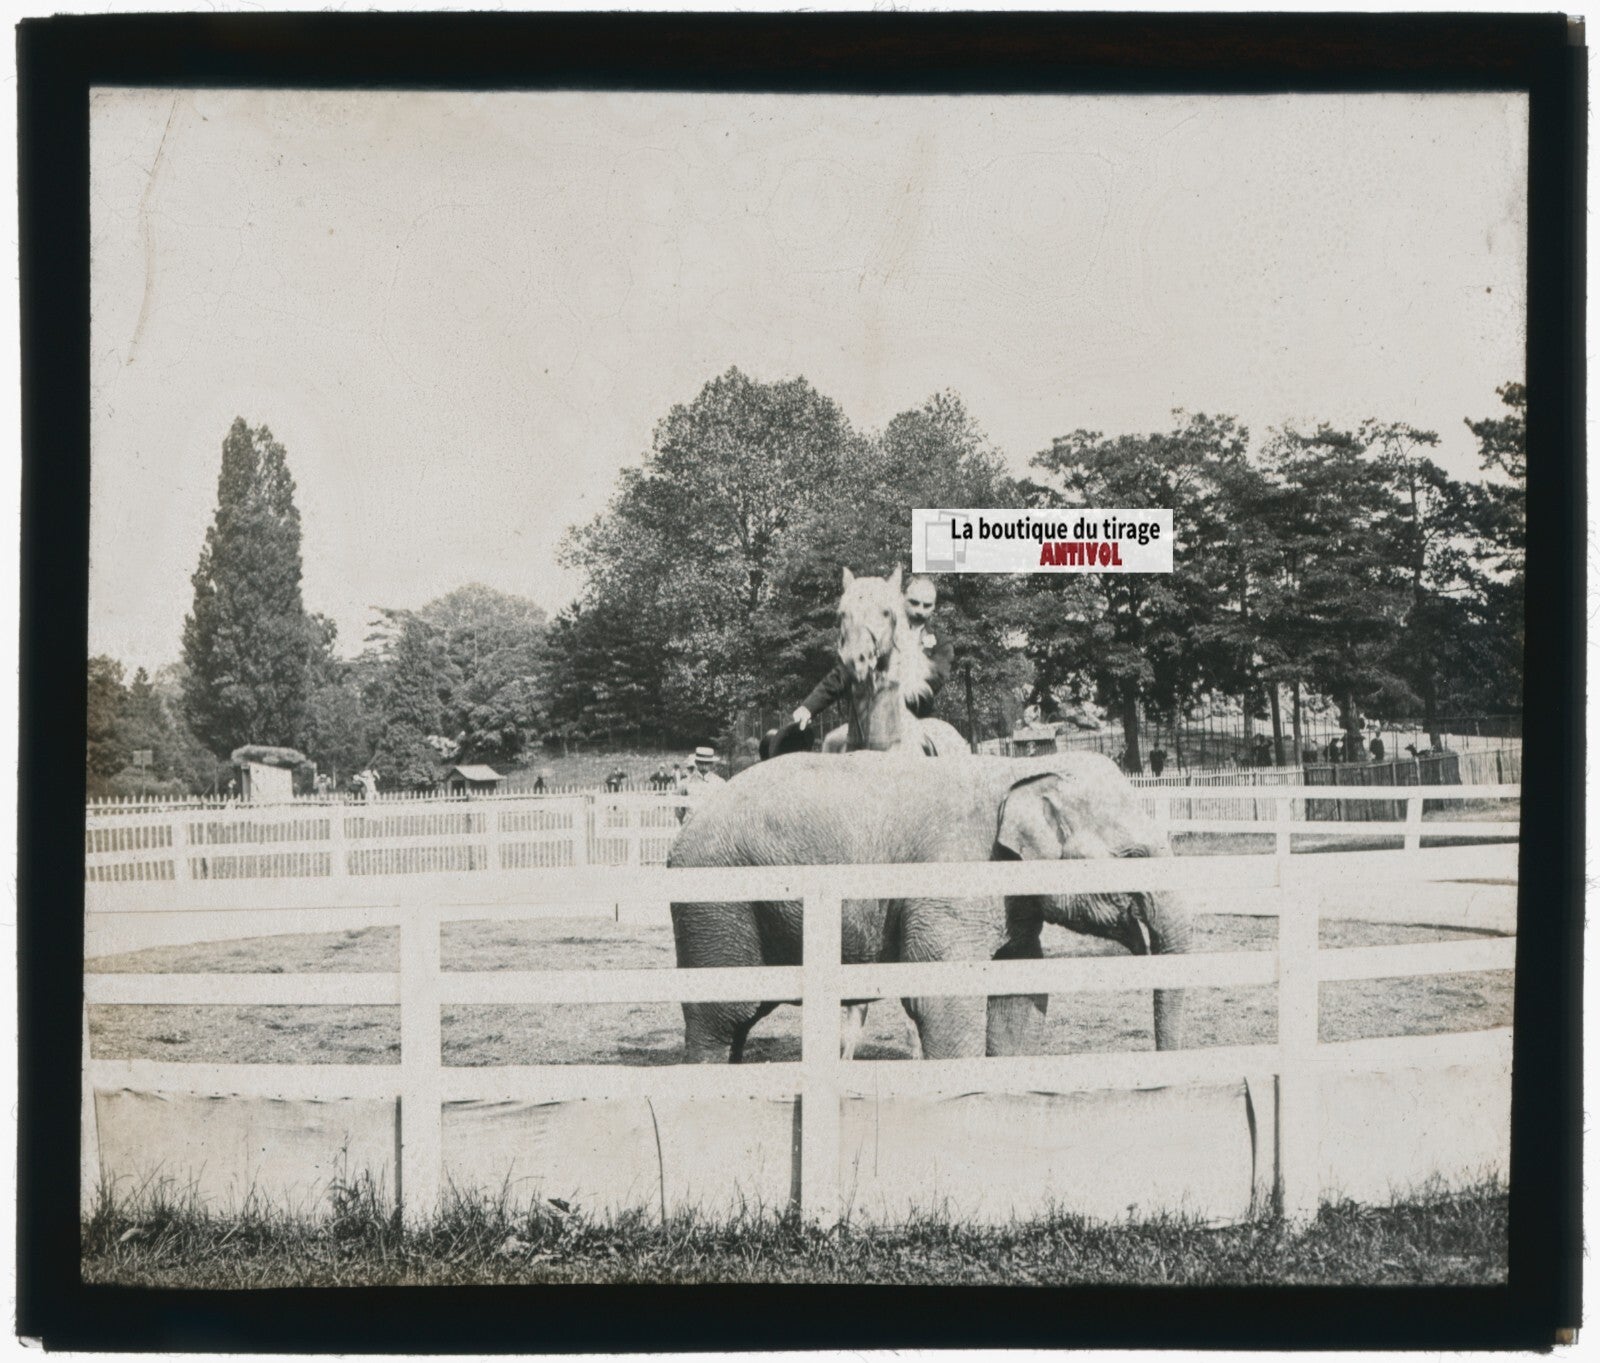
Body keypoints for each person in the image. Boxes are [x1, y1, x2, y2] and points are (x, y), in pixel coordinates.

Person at [791, 573, 955, 749]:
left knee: (934, 746)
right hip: (868, 719)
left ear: (934, 606)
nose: (920, 611)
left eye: (927, 605)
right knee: (831, 742)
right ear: (901, 598)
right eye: (914, 603)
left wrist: (897, 692)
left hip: (915, 718)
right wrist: (808, 708)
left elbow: (935, 680)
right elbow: (842, 674)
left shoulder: (941, 642)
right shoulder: (880, 633)